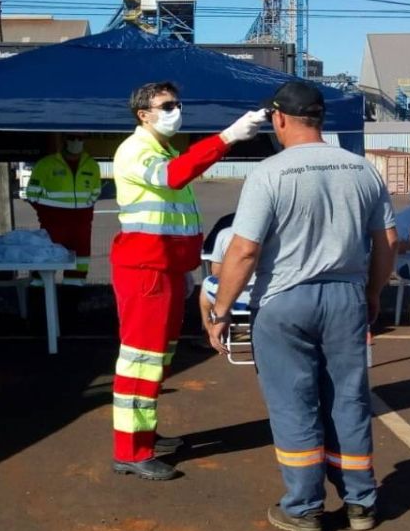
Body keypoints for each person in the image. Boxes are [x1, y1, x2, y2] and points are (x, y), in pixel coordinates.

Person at [208, 81, 397, 531]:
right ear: (320, 118)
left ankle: (305, 509)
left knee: (294, 404)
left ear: (278, 119)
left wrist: (221, 309)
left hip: (284, 301)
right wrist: (373, 293)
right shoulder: (362, 170)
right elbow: (387, 242)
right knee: (348, 400)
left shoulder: (269, 173)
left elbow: (244, 250)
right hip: (346, 297)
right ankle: (360, 502)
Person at [110, 81, 267, 480]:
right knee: (141, 360)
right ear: (143, 114)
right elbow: (174, 177)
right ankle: (131, 451)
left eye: (177, 104)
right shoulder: (136, 150)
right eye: (166, 106)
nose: (175, 111)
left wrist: (183, 270)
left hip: (163, 270)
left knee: (156, 359)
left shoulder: (160, 149)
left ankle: (143, 435)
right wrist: (228, 137)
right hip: (146, 271)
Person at [24, 135, 102, 285]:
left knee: (80, 261)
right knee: (45, 262)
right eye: (72, 138)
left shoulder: (92, 165)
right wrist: (46, 214)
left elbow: (95, 192)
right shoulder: (46, 164)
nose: (76, 142)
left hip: (82, 226)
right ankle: (39, 295)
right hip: (53, 225)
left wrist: (83, 211)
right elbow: (32, 193)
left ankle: (73, 293)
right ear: (64, 141)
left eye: (80, 138)